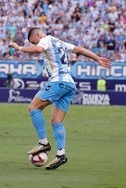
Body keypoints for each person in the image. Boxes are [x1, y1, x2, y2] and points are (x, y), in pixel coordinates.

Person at [10, 28, 111, 170]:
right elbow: (81, 50)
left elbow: (39, 49)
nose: (36, 43)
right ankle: (60, 154)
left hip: (58, 81)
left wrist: (19, 48)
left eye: (34, 41)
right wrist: (97, 58)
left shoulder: (45, 39)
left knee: (33, 107)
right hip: (70, 84)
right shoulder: (60, 42)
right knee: (56, 121)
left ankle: (43, 142)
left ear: (38, 35)